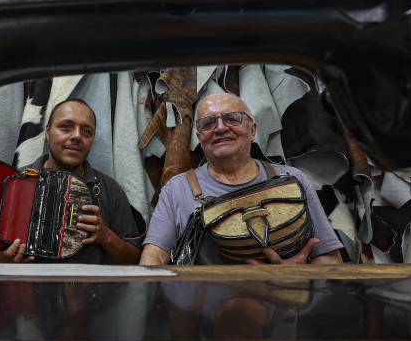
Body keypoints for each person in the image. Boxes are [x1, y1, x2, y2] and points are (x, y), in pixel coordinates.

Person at [140, 92, 343, 266]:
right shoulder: (177, 189)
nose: (220, 128)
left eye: (232, 119)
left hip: (286, 298)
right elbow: (153, 259)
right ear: (199, 137)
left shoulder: (293, 180)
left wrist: (297, 276)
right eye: (208, 123)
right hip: (210, 301)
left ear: (252, 130)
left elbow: (330, 258)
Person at [0, 98, 143, 264]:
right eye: (65, 127)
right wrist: (1, 258)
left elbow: (136, 260)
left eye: (86, 131)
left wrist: (106, 236)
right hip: (26, 283)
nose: (76, 136)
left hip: (90, 284)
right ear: (47, 132)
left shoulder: (109, 189)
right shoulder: (13, 183)